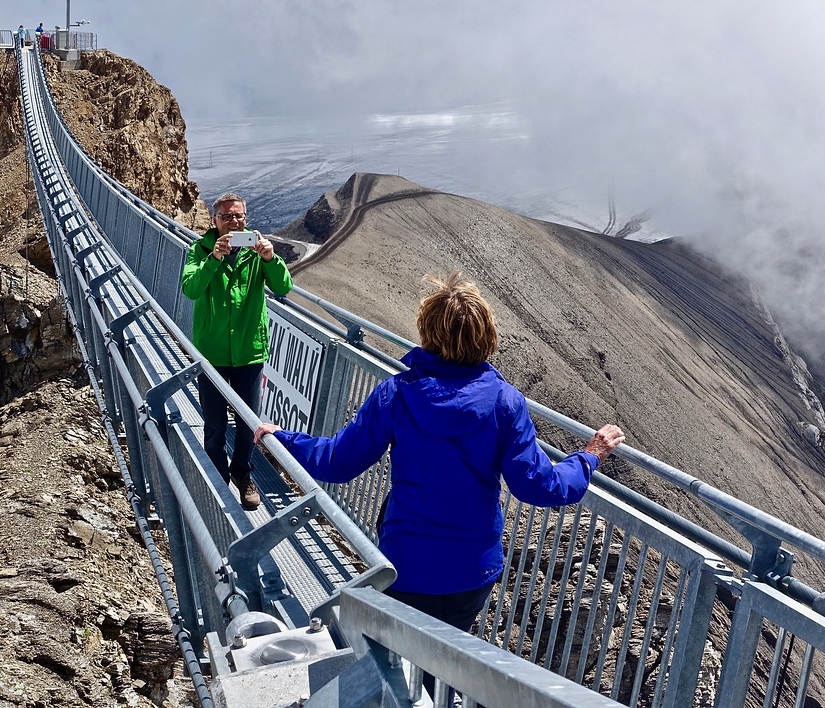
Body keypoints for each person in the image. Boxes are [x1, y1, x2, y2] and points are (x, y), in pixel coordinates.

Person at [255, 272, 624, 639]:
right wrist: (589, 456)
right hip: (472, 571)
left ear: (427, 333)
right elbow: (539, 486)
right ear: (487, 338)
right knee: (447, 657)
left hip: (405, 566)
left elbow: (338, 462)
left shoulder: (396, 394)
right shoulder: (505, 402)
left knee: (401, 659)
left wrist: (283, 438)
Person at [181, 193, 293, 510]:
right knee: (214, 423)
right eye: (227, 216)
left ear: (246, 218)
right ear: (214, 221)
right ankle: (218, 479)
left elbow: (284, 287)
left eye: (239, 216)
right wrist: (213, 259)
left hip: (249, 352)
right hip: (213, 352)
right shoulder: (199, 250)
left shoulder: (256, 250)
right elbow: (190, 289)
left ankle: (243, 474)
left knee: (248, 424)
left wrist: (272, 258)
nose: (234, 222)